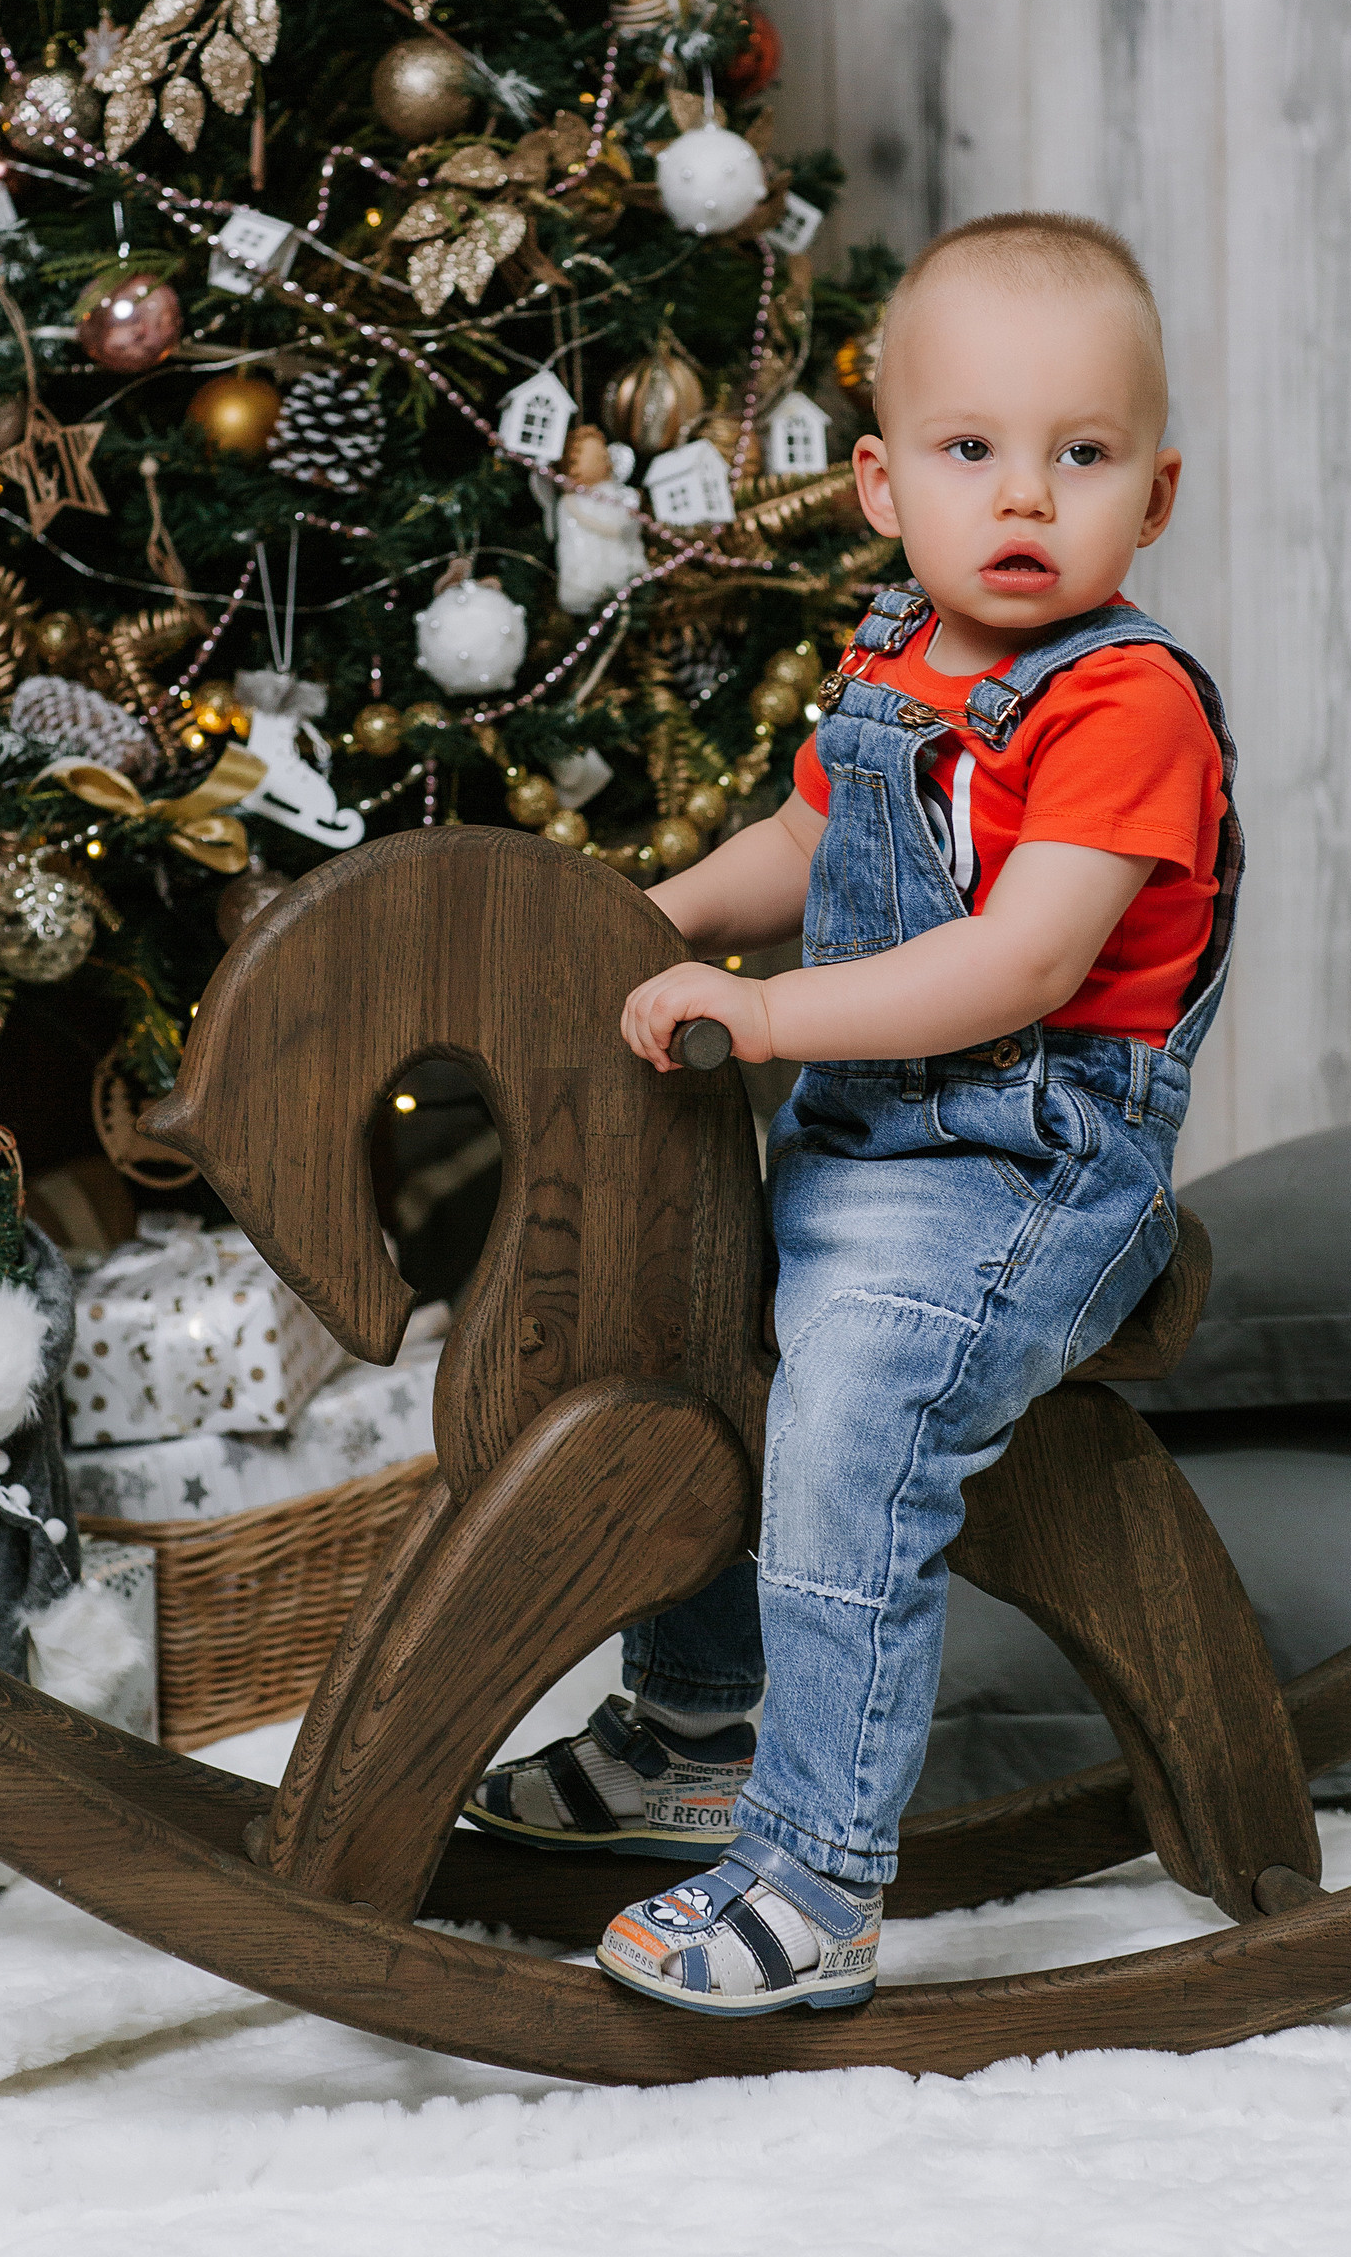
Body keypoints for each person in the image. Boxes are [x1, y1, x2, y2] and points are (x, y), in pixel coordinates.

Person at [466, 211, 1239, 2018]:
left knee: (852, 1424)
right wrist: (646, 923)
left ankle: (819, 1872)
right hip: (865, 1150)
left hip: (1026, 1174)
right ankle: (687, 1732)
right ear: (883, 485)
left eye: (1084, 455)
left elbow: (1021, 966)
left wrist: (764, 1014)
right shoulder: (897, 660)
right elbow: (809, 846)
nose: (1028, 500)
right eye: (976, 453)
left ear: (1160, 491)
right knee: (699, 1345)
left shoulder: (1127, 707)